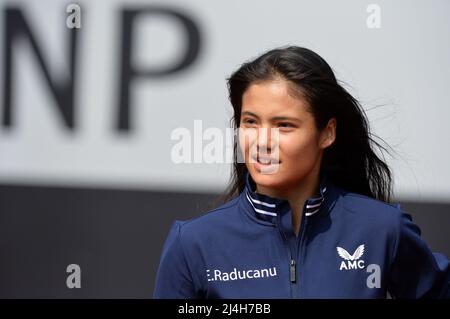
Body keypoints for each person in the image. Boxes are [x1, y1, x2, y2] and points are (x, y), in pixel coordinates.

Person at [153, 46, 450, 299]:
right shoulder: (192, 243)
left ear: (327, 133)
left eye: (284, 125)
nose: (262, 142)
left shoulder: (382, 229)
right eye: (250, 122)